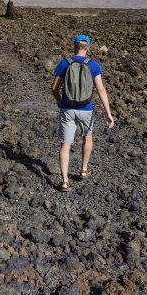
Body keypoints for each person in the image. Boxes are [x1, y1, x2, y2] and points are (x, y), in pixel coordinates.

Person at [51, 34, 115, 191]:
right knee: (87, 137)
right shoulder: (93, 65)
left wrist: (60, 101)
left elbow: (54, 87)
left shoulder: (65, 63)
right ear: (88, 48)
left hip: (67, 108)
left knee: (65, 144)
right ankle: (84, 170)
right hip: (86, 109)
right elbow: (100, 89)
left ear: (74, 46)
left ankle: (65, 181)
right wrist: (108, 113)